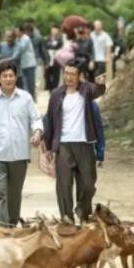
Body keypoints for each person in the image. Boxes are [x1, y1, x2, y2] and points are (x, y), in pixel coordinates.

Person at [0, 62, 42, 226]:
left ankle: (12, 224)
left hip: (19, 156)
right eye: (4, 76)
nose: (8, 79)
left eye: (11, 75)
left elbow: (36, 119)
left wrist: (37, 133)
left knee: (14, 194)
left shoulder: (26, 98)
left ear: (16, 77)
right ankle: (2, 227)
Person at [44, 60, 106, 223]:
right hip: (63, 144)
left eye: (72, 74)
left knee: (88, 184)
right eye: (66, 73)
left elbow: (97, 91)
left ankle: (82, 210)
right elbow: (49, 120)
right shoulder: (57, 94)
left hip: (84, 144)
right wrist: (49, 147)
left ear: (80, 76)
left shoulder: (86, 91)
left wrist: (100, 84)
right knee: (63, 186)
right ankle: (67, 218)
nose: (68, 77)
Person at [44, 25, 63, 91]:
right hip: (48, 58)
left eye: (55, 30)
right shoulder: (47, 38)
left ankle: (55, 89)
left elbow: (61, 48)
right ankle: (50, 89)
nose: (54, 31)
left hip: (56, 59)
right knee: (47, 75)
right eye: (53, 30)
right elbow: (45, 49)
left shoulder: (60, 39)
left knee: (56, 76)